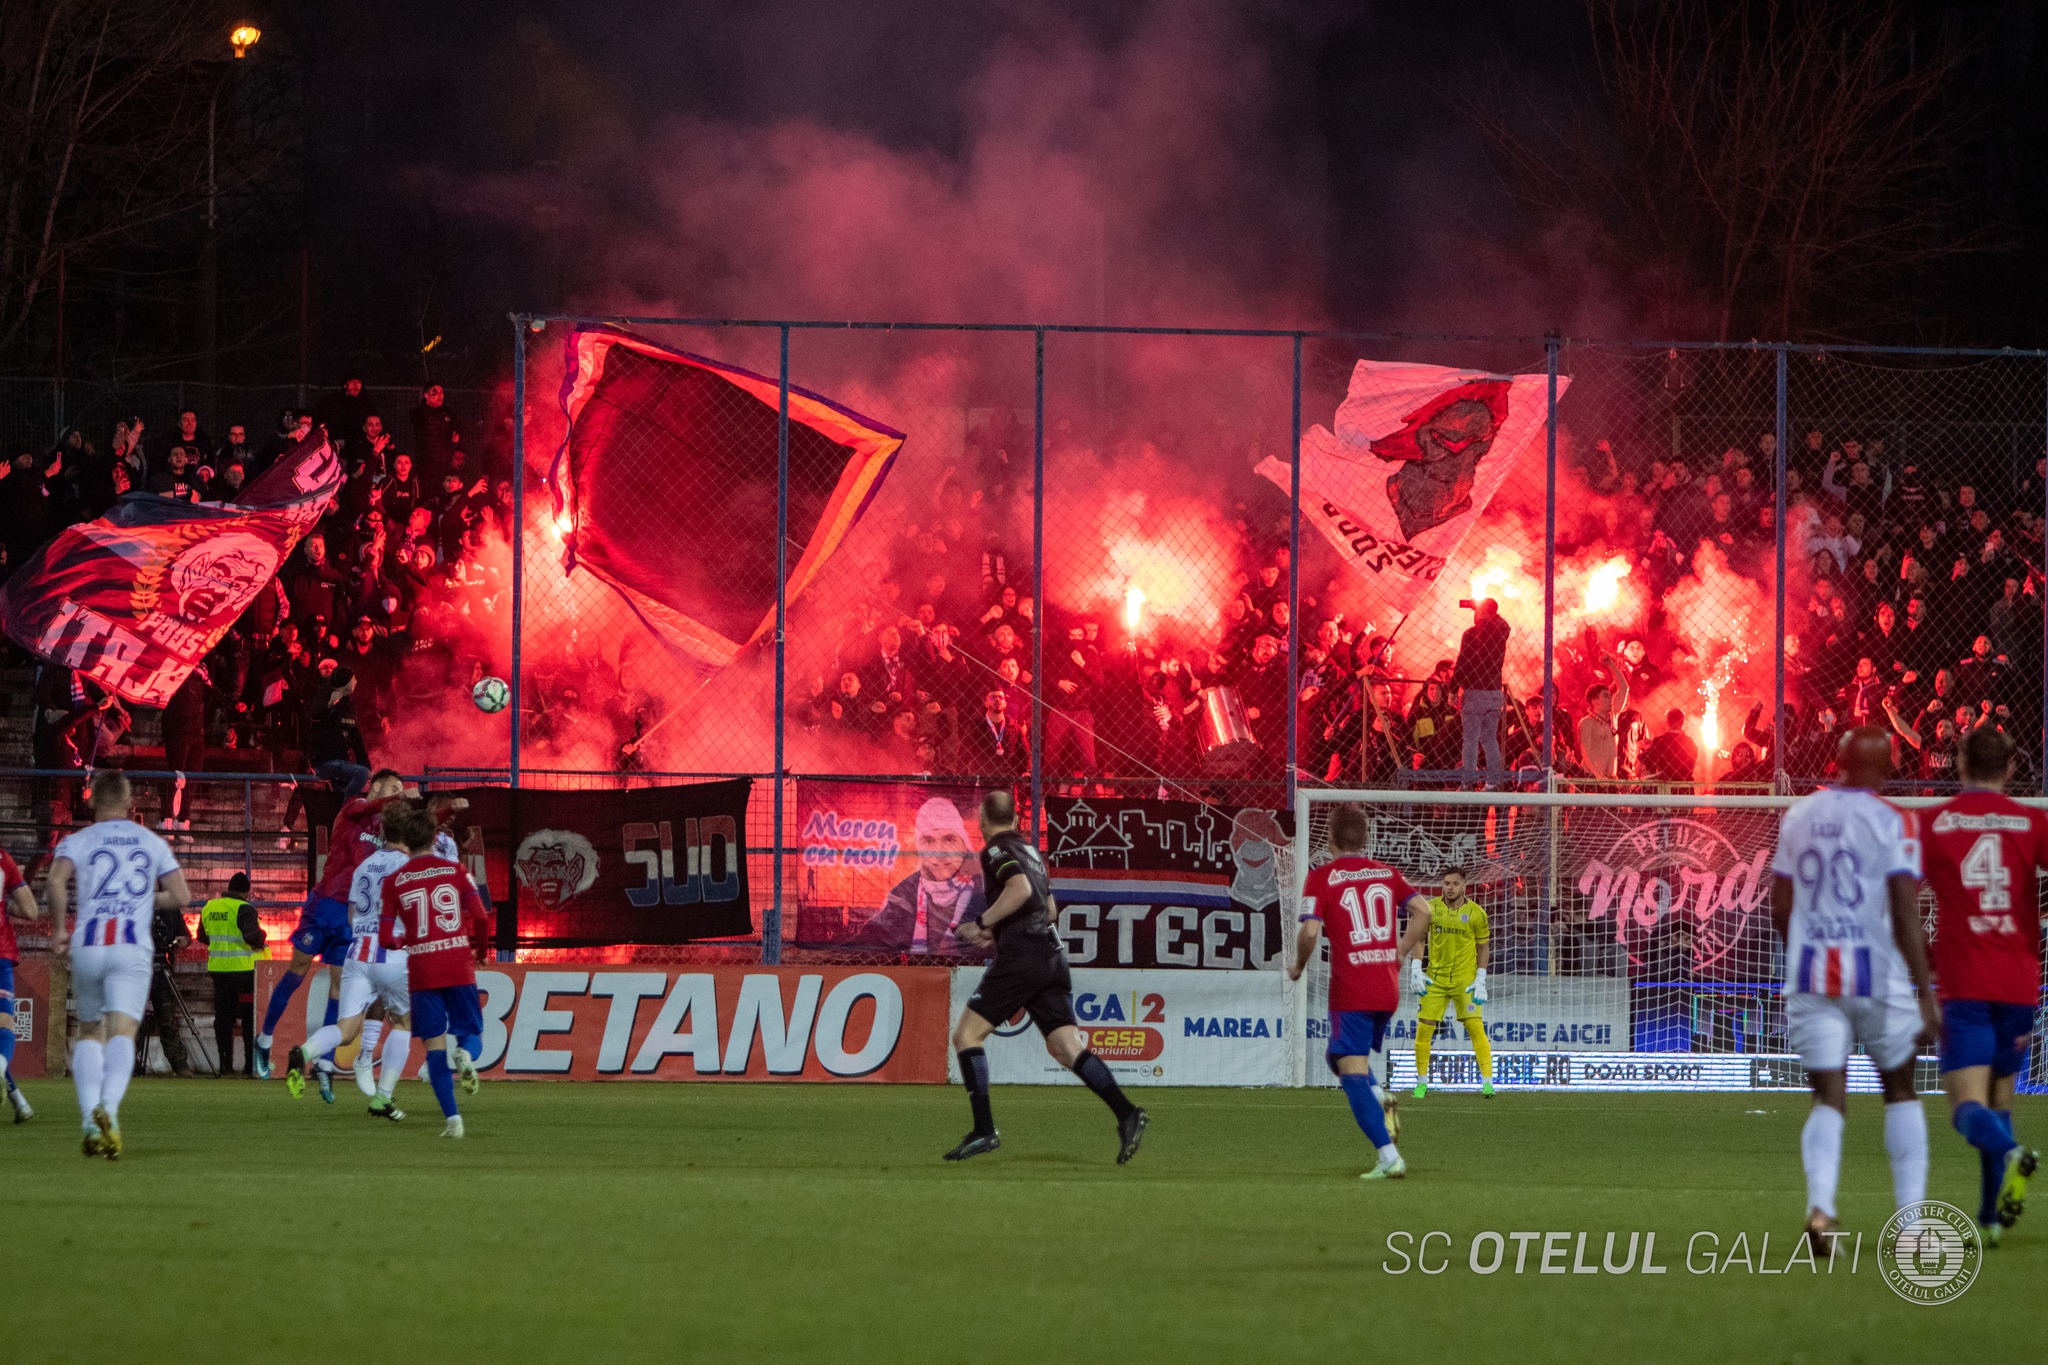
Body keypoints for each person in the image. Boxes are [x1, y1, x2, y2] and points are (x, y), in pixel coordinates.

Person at [1769, 727, 1941, 1259]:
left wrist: (1802, 946)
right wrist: (1925, 989)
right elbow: (1906, 909)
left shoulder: (1797, 816)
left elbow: (1779, 903)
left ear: (1836, 761)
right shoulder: (1894, 820)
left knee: (1827, 1095)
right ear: (1888, 767)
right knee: (1901, 1087)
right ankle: (1910, 1225)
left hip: (1812, 976)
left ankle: (1821, 1208)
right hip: (1878, 977)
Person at [945, 791, 1146, 1164]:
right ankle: (1127, 1113)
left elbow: (1018, 890)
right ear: (1018, 820)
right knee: (1066, 1049)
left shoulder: (992, 851)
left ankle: (984, 1130)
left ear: (982, 822)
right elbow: (1050, 910)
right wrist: (998, 931)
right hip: (1051, 957)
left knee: (966, 1036)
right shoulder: (1034, 854)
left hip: (1022, 959)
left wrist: (983, 923)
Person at [1917, 725, 2041, 1243]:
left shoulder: (1933, 823)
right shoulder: (2034, 821)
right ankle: (1990, 1220)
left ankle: (2014, 1155)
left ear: (1959, 763)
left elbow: (1901, 893)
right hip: (2019, 981)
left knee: (1966, 1110)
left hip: (1965, 979)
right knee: (2001, 1101)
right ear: (2011, 767)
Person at [46, 773, 190, 1158]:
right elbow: (181, 895)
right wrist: (145, 900)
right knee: (123, 1031)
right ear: (130, 803)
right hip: (130, 946)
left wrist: (60, 929)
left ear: (91, 801)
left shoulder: (75, 841)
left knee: (90, 1030)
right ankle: (109, 1108)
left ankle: (89, 1122)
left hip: (88, 943)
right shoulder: (151, 841)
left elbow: (55, 881)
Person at [1287, 803, 1432, 1180]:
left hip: (1351, 988)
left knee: (1351, 1074)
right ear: (1365, 838)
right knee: (1337, 1057)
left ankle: (1389, 1157)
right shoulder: (1386, 873)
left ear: (1330, 838)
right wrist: (1398, 952)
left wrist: (1299, 965)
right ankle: (1379, 1095)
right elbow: (1424, 911)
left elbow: (1310, 932)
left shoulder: (1321, 877)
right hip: (1385, 986)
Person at [255, 768, 407, 1077]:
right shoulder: (353, 806)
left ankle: (322, 1064)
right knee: (298, 969)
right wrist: (402, 797)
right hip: (324, 904)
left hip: (353, 915)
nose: (396, 793)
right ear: (377, 787)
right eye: (394, 787)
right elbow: (371, 806)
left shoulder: (385, 828)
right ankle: (264, 1040)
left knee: (339, 985)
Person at [291, 807, 413, 1118]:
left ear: (383, 833)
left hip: (357, 953)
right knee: (402, 1022)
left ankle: (304, 1052)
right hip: (392, 952)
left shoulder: (364, 866)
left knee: (345, 1029)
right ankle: (382, 1097)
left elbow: (351, 916)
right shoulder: (408, 867)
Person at [378, 801, 489, 1138]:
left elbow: (385, 938)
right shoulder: (456, 871)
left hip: (423, 969)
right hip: (457, 962)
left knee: (433, 1047)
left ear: (405, 843)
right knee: (471, 1035)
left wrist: (403, 942)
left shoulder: (394, 881)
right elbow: (482, 917)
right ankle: (466, 1056)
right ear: (434, 837)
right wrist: (479, 951)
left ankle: (453, 1121)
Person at [852, 797, 987, 955]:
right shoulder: (904, 893)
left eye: (949, 839)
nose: (939, 852)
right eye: (928, 841)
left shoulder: (986, 886)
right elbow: (867, 941)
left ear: (964, 845)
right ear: (919, 849)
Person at [1404, 867, 1493, 1100]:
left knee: (1475, 1028)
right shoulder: (1430, 908)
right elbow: (1419, 938)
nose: (1449, 888)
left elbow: (1483, 947)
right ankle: (1421, 1083)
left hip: (1465, 980)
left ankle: (1487, 1083)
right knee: (1424, 1028)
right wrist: (1415, 968)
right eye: (1446, 883)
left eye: (1454, 884)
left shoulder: (1476, 913)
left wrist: (1481, 977)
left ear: (1464, 886)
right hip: (1435, 978)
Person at [197, 872, 265, 1079]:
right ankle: (248, 1066)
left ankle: (224, 1065)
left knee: (223, 1018)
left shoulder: (210, 906)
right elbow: (251, 936)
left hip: (219, 973)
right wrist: (262, 937)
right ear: (246, 891)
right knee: (248, 1018)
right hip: (243, 974)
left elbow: (201, 936)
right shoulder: (245, 908)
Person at [1, 844, 42, 1121]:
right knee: (4, 1024)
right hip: (0, 952)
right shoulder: (3, 858)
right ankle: (18, 1101)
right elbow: (30, 910)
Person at [1451, 598, 1510, 781]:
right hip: (1493, 692)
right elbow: (1502, 623)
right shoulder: (1501, 632)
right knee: (1489, 739)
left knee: (1470, 739)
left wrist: (1453, 688)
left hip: (1475, 690)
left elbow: (1463, 662)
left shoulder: (1471, 633)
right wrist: (1488, 609)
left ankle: (1468, 783)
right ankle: (1494, 782)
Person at [1642, 708, 1699, 786]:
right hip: (1684, 788)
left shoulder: (1659, 741)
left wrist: (1643, 750)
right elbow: (1691, 767)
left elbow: (1649, 765)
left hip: (1664, 788)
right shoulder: (1691, 743)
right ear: (1682, 723)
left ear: (1667, 722)